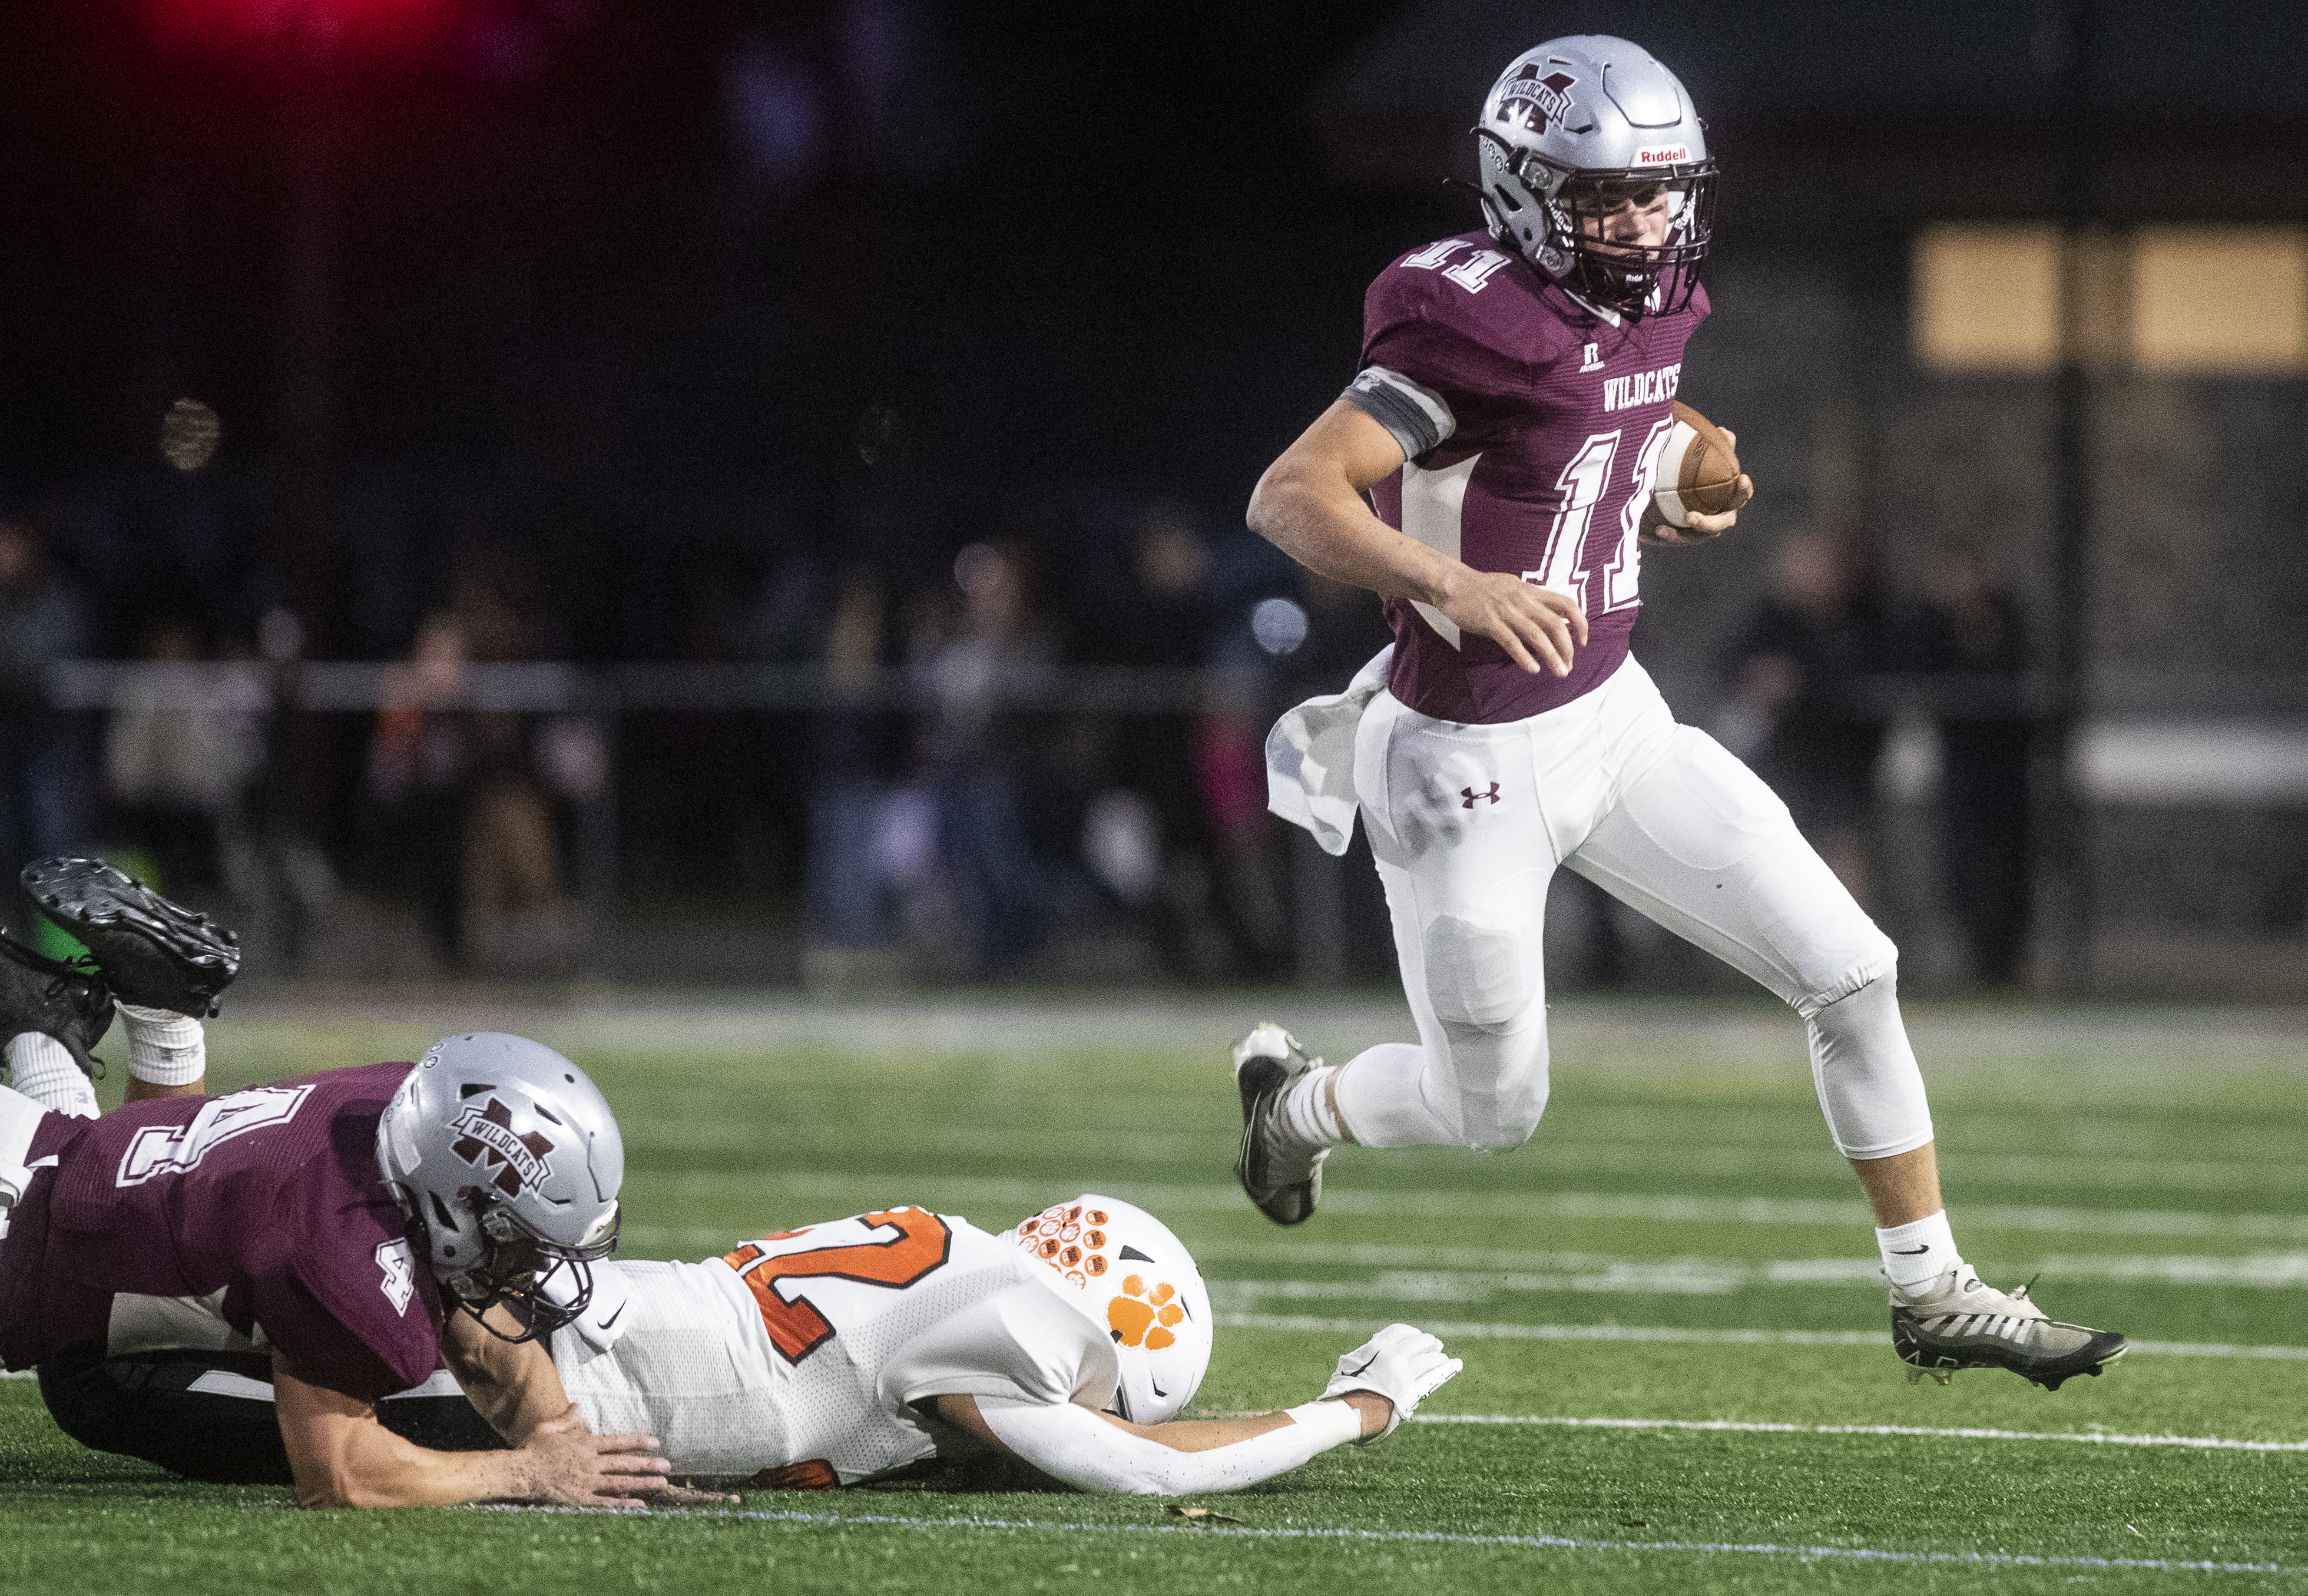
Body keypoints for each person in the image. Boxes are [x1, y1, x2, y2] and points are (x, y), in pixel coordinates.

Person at [1236, 36, 2124, 1392]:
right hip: (1460, 760)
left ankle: (1929, 1288)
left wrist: (1683, 468)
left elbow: (1619, 409)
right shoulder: (1465, 314)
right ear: (1524, 194)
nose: (1643, 223)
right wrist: (1447, 579)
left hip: (1611, 718)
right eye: (1606, 198)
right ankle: (1290, 1105)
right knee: (1490, 1110)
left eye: (1659, 193)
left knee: (1850, 970)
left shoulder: (1645, 298)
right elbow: (1292, 493)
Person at [29, 1188, 1463, 1497]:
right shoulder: (1010, 1330)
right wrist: (1355, 1410)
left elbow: (1130, 1440)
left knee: (118, 1341)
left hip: (545, 1321)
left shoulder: (964, 1252)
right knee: (98, 1379)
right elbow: (1143, 1469)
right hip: (515, 1385)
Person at [0, 857, 677, 1508]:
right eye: (521, 1241)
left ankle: (60, 1032)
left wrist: (565, 1444)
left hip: (49, 1153)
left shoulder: (392, 1105)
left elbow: (476, 1324)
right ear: (454, 1203)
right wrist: (527, 1471)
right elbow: (339, 1474)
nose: (532, 1272)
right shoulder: (339, 1241)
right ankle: (81, 1029)